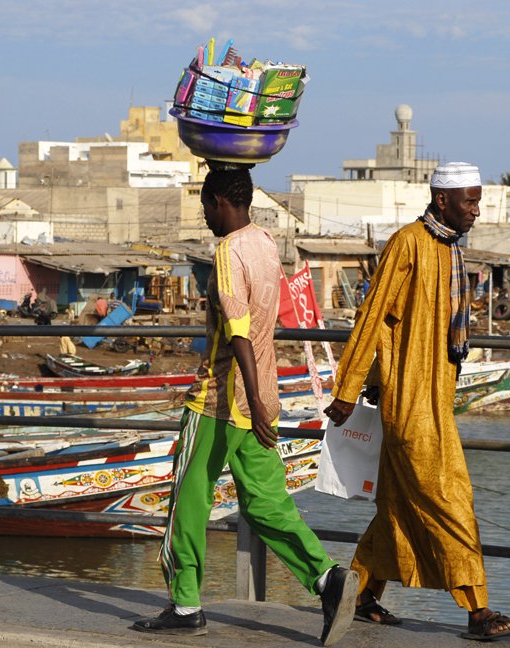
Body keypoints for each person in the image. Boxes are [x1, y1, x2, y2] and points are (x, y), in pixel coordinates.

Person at [132, 166, 358, 645]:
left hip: (219, 400)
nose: (204, 216)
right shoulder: (266, 243)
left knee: (188, 503)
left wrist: (251, 399)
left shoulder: (228, 251)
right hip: (262, 397)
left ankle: (186, 604)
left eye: (204, 206)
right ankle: (326, 577)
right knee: (266, 502)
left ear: (219, 201)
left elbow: (238, 333)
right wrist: (260, 402)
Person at [323, 162, 510, 642]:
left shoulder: (449, 248)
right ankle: (477, 609)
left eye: (478, 201)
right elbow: (372, 315)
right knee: (448, 497)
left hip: (436, 397)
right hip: (411, 403)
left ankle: (360, 594)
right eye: (470, 202)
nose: (476, 211)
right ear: (442, 200)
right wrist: (348, 388)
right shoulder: (407, 244)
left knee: (397, 505)